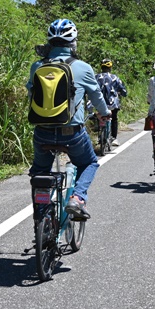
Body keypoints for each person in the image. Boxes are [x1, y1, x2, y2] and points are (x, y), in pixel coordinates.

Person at [28, 19, 111, 221]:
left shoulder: (37, 66)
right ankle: (77, 198)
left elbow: (31, 94)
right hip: (71, 133)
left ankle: (42, 219)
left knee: (40, 172)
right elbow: (96, 96)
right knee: (90, 163)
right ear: (73, 42)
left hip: (42, 131)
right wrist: (104, 113)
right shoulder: (82, 67)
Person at [96, 59, 127, 146]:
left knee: (98, 117)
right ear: (110, 68)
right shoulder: (115, 78)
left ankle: (100, 135)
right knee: (114, 118)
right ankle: (114, 137)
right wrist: (123, 93)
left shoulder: (96, 77)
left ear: (101, 68)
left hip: (100, 103)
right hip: (113, 104)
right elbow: (123, 90)